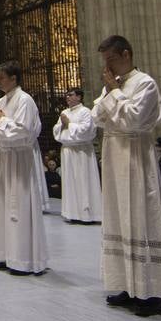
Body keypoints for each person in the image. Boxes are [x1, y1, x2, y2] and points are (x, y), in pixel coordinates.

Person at [93, 35, 161, 317]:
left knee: (140, 217)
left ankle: (152, 292)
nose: (108, 66)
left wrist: (114, 93)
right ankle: (127, 283)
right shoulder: (113, 86)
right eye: (105, 61)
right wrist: (113, 95)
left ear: (126, 54)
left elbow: (135, 119)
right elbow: (97, 117)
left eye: (111, 60)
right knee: (119, 218)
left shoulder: (144, 83)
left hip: (136, 158)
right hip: (115, 156)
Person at [0, 61, 48, 275]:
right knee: (4, 206)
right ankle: (6, 254)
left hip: (21, 158)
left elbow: (22, 131)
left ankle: (23, 259)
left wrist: (1, 120)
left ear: (14, 78)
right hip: (5, 158)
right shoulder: (4, 100)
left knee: (20, 206)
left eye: (1, 77)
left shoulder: (25, 100)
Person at [54, 87, 101, 224]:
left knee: (83, 181)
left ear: (79, 97)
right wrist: (62, 126)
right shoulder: (64, 112)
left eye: (71, 95)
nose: (67, 97)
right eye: (67, 95)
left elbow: (87, 131)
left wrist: (69, 124)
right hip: (68, 150)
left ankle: (87, 214)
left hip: (82, 152)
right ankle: (72, 213)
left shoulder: (85, 112)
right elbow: (56, 131)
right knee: (70, 182)